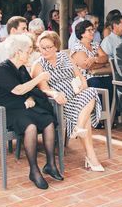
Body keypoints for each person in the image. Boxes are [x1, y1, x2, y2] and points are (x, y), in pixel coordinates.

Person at [0, 35, 62, 189]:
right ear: (17, 52)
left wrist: (30, 98)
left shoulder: (20, 68)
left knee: (48, 120)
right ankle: (34, 171)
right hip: (4, 111)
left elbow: (28, 89)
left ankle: (50, 164)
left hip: (20, 106)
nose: (30, 54)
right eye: (28, 51)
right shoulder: (2, 69)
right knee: (31, 126)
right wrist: (39, 78)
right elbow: (19, 89)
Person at [32, 31, 105, 171]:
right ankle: (90, 155)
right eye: (42, 47)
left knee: (91, 91)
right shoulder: (38, 65)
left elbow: (79, 76)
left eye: (49, 47)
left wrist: (83, 86)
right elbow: (42, 89)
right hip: (60, 103)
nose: (45, 51)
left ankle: (78, 128)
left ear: (56, 46)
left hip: (77, 95)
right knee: (86, 114)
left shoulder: (64, 57)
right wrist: (54, 93)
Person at [71, 20, 112, 128]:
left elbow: (106, 58)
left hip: (100, 74)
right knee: (95, 84)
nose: (93, 32)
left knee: (111, 83)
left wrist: (94, 59)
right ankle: (97, 119)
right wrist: (102, 63)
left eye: (93, 29)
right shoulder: (77, 47)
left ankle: (110, 116)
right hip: (85, 78)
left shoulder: (95, 44)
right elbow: (86, 67)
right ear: (82, 33)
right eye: (89, 30)